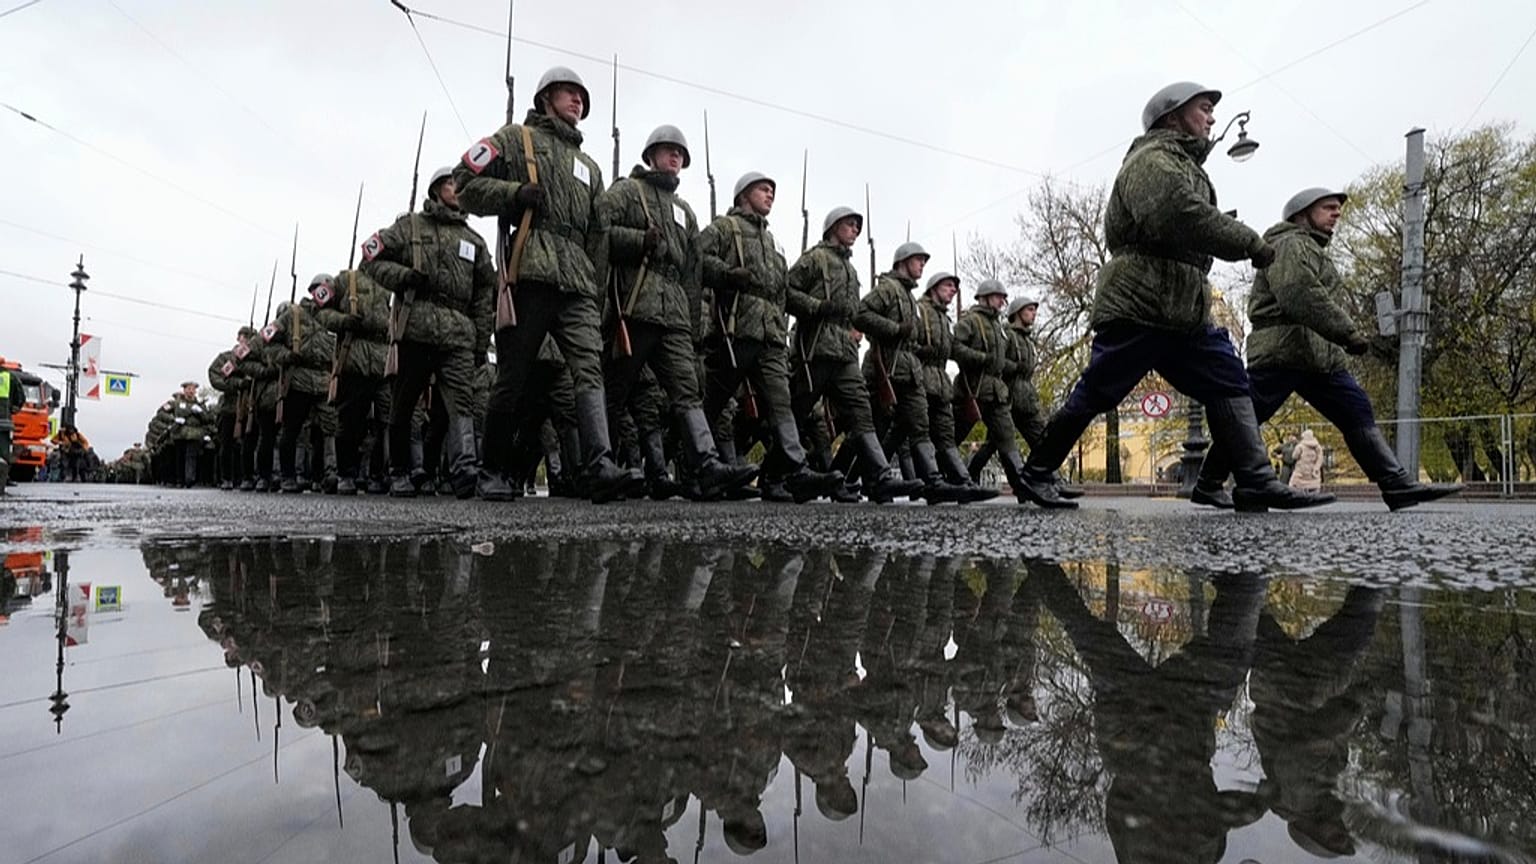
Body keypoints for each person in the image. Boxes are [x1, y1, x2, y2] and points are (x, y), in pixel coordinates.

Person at [1013, 81, 1334, 512]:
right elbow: (1180, 214)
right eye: (1203, 108)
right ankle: (1036, 473)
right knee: (1098, 391)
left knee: (1229, 377)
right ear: (1172, 116)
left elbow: (1192, 220)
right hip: (1141, 303)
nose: (1212, 118)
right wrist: (1248, 242)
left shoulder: (1183, 164)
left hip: (1181, 311)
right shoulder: (1152, 160)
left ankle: (1254, 481)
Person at [1191, 187, 1462, 510]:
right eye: (1327, 208)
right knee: (1246, 418)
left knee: (1355, 408)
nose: (1336, 214)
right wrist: (1346, 332)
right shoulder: (1290, 244)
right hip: (1284, 350)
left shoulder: (1311, 248)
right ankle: (1208, 483)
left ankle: (1396, 485)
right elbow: (1299, 293)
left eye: (1337, 209)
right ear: (1301, 214)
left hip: (1318, 355)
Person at [453, 65, 630, 503]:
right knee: (513, 375)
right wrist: (512, 194)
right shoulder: (517, 139)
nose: (578, 102)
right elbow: (465, 182)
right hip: (530, 271)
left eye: (582, 97)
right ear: (545, 97)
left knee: (589, 368)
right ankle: (493, 469)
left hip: (577, 283)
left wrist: (597, 287)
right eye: (569, 93)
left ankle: (599, 463)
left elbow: (599, 235)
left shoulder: (589, 165)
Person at [595, 124, 757, 500]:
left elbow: (694, 272)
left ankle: (705, 462)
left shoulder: (684, 211)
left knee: (687, 391)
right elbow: (598, 230)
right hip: (635, 309)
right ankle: (598, 465)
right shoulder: (628, 191)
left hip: (674, 320)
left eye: (680, 154)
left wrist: (697, 322)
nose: (675, 158)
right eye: (669, 151)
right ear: (651, 155)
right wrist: (636, 241)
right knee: (615, 391)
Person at [698, 171, 843, 503]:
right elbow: (697, 258)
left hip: (771, 336)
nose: (769, 195)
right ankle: (698, 466)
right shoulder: (724, 227)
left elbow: (783, 291)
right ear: (743, 194)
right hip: (735, 332)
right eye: (763, 189)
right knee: (714, 403)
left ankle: (795, 470)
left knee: (782, 403)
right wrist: (726, 274)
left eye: (772, 191)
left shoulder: (773, 241)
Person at [363, 167, 495, 499]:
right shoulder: (410, 226)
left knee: (460, 403)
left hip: (459, 333)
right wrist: (402, 276)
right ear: (436, 190)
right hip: (417, 326)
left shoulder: (474, 240)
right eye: (451, 184)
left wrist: (481, 339)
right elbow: (369, 256)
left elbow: (484, 295)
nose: (456, 189)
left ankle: (465, 469)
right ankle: (399, 471)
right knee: (404, 402)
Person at [787, 206, 922, 503]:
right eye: (850, 225)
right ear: (833, 226)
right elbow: (787, 291)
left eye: (857, 227)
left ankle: (881, 476)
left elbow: (858, 315)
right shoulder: (815, 258)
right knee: (798, 411)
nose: (855, 231)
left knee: (862, 411)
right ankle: (778, 476)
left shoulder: (851, 269)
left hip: (844, 353)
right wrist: (816, 307)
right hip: (816, 350)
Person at [858, 242, 971, 503]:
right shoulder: (888, 289)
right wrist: (895, 329)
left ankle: (933, 481)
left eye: (923, 261)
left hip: (911, 373)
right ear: (902, 261)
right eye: (918, 259)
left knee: (920, 426)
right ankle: (866, 479)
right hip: (888, 368)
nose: (922, 264)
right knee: (875, 426)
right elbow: (861, 315)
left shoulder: (909, 297)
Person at [313, 266, 393, 495]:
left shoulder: (389, 281)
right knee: (351, 421)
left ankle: (379, 474)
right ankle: (345, 473)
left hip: (385, 359)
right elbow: (321, 311)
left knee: (386, 421)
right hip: (355, 358)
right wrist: (344, 320)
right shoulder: (346, 280)